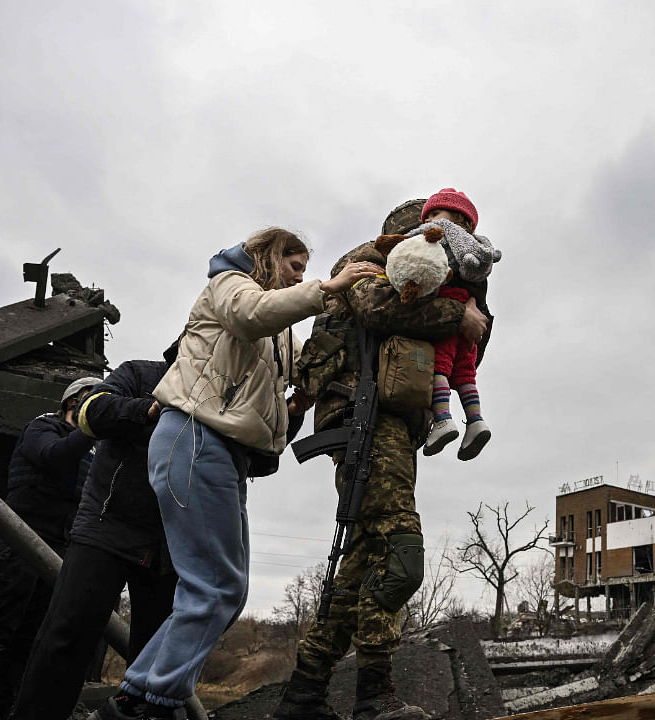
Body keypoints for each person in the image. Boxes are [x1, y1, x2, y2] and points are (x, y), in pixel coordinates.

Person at [90, 228, 379, 720]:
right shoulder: (228, 284)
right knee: (214, 585)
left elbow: (264, 403)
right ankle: (148, 703)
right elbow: (251, 315)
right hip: (194, 436)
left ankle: (135, 696)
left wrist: (300, 402)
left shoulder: (280, 331)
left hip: (223, 451)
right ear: (269, 257)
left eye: (307, 271)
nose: (302, 276)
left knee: (227, 588)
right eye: (294, 265)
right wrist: (332, 287)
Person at [273, 200, 490, 720]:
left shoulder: (446, 276)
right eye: (441, 227)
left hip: (395, 425)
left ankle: (303, 695)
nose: (448, 236)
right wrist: (458, 313)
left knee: (361, 566)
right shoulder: (367, 263)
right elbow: (377, 309)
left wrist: (468, 306)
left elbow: (473, 346)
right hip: (359, 414)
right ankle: (374, 697)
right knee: (400, 551)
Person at [9, 346, 179, 720]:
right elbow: (96, 409)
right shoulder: (138, 374)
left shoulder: (225, 391)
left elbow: (261, 458)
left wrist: (289, 416)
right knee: (65, 638)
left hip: (172, 542)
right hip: (106, 525)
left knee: (155, 659)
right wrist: (147, 408)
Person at [0, 376, 102, 720]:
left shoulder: (93, 452)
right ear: (73, 401)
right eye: (95, 399)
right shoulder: (42, 427)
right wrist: (91, 431)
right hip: (24, 537)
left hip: (61, 546)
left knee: (28, 638)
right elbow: (51, 458)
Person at [408, 189, 501, 460]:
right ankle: (476, 421)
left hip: (448, 315)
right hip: (472, 325)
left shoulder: (438, 237)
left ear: (459, 218)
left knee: (440, 368)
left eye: (436, 213)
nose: (429, 221)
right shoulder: (479, 249)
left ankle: (443, 419)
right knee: (465, 374)